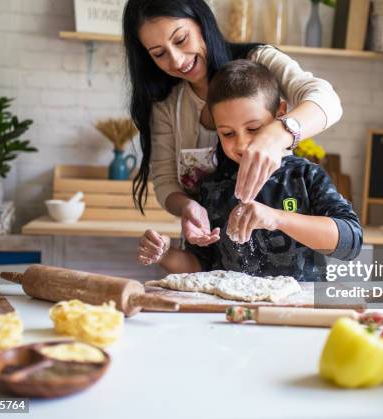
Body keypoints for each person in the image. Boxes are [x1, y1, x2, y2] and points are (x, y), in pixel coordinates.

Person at [123, 0, 342, 247]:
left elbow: (327, 100)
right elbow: (165, 182)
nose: (176, 60)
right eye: (159, 54)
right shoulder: (166, 104)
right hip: (207, 251)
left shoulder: (259, 61)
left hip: (281, 248)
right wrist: (187, 207)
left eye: (181, 39)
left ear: (201, 22)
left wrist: (276, 135)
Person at [137, 60, 362, 281]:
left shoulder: (304, 176)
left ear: (281, 113)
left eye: (254, 128)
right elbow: (201, 267)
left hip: (299, 310)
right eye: (227, 133)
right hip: (231, 314)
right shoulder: (211, 188)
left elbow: (350, 242)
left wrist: (276, 219)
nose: (242, 144)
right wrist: (166, 254)